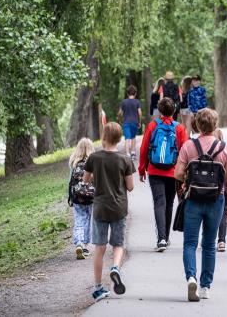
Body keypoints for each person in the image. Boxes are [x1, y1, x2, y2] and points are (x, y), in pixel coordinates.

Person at [174, 109, 227, 302]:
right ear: (215, 125)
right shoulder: (224, 148)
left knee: (190, 244)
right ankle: (205, 286)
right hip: (216, 200)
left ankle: (191, 277)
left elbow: (177, 173)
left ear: (198, 125)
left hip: (193, 199)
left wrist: (186, 178)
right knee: (209, 245)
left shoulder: (188, 146)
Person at [82, 122, 136, 302]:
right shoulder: (125, 159)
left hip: (100, 207)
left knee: (99, 248)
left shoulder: (94, 158)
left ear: (104, 137)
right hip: (119, 207)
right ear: (120, 139)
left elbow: (85, 180)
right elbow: (130, 186)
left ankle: (98, 288)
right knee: (118, 244)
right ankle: (115, 268)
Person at [139, 98, 189, 252]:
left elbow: (144, 148)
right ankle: (165, 238)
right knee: (169, 204)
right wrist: (184, 175)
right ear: (174, 111)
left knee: (159, 203)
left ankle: (160, 238)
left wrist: (142, 169)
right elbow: (184, 151)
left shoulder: (153, 125)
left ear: (160, 111)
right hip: (173, 172)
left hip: (155, 170)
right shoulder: (179, 128)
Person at [68, 138, 95, 260]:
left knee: (79, 219)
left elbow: (70, 182)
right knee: (88, 219)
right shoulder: (93, 162)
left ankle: (79, 243)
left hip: (77, 196)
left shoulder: (74, 163)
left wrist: (70, 196)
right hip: (90, 196)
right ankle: (84, 246)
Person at [214, 128, 227, 252]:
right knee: (223, 213)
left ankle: (206, 238)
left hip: (207, 187)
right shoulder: (224, 149)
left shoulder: (202, 148)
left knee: (207, 212)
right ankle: (221, 241)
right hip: (223, 187)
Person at [119, 85, 142, 160]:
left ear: (127, 93)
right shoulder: (137, 102)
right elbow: (139, 113)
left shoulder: (124, 102)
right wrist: (139, 121)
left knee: (127, 138)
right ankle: (133, 153)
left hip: (126, 122)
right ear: (135, 93)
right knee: (133, 137)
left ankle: (127, 153)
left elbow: (120, 113)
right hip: (135, 121)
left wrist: (120, 120)